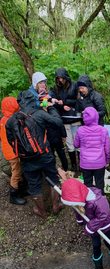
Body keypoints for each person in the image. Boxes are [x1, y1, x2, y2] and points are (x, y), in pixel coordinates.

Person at [6, 72, 63, 218]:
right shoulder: (39, 114)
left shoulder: (11, 121)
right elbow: (57, 123)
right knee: (53, 177)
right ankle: (56, 205)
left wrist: (23, 151)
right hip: (44, 154)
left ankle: (41, 211)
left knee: (34, 184)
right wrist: (50, 108)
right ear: (33, 99)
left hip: (26, 158)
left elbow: (11, 140)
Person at [61, 178, 110, 269]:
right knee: (96, 245)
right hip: (92, 226)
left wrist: (89, 227)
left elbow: (103, 215)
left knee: (108, 242)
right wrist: (80, 220)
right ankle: (99, 268)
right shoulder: (78, 201)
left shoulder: (98, 201)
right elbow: (78, 211)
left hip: (105, 225)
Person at [74, 107, 110, 193]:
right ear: (96, 116)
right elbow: (108, 149)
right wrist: (108, 160)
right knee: (100, 184)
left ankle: (89, 203)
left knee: (87, 185)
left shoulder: (80, 130)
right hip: (99, 162)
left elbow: (76, 145)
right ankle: (101, 201)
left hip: (85, 163)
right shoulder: (103, 130)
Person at [50, 68, 80, 171]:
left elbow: (78, 100)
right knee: (69, 144)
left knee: (78, 143)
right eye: (58, 78)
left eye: (62, 78)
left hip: (75, 118)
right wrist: (62, 106)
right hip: (64, 119)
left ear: (66, 77)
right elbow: (52, 103)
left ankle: (81, 164)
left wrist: (66, 102)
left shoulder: (74, 85)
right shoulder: (55, 88)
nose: (60, 80)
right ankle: (74, 165)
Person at [0, 97, 27, 205]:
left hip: (8, 150)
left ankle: (21, 190)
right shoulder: (11, 121)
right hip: (12, 151)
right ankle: (13, 195)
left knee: (18, 169)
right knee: (16, 172)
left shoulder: (3, 119)